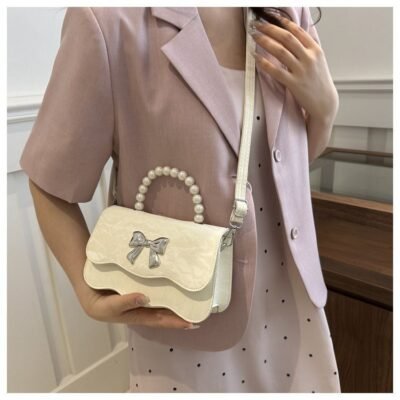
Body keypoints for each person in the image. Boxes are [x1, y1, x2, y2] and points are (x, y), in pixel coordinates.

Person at [19, 6, 340, 393]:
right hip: (186, 320)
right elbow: (51, 181)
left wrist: (326, 108)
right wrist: (85, 289)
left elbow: (286, 164)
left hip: (293, 307)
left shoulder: (286, 13)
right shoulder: (108, 22)